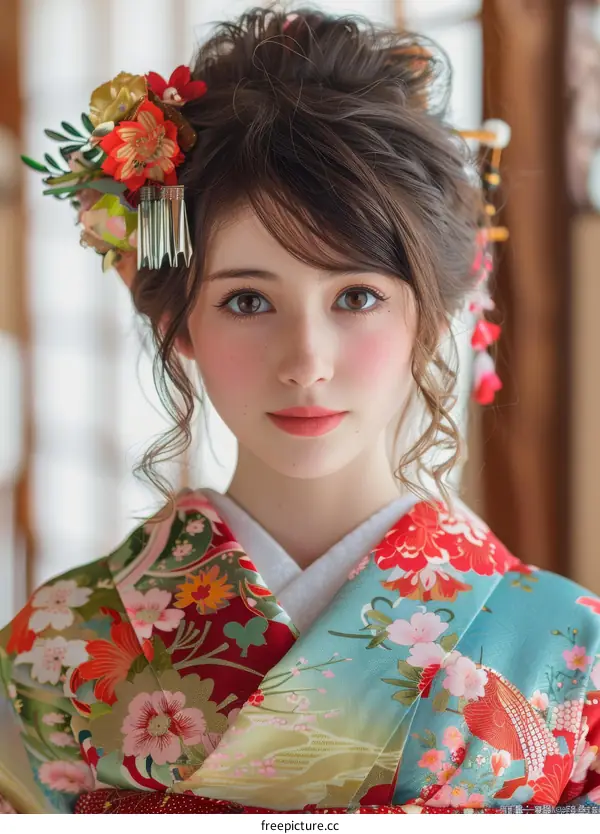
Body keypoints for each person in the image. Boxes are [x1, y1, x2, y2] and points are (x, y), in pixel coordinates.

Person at [1, 4, 599, 815]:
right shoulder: (52, 649)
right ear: (178, 322)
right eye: (247, 301)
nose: (306, 363)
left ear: (431, 313)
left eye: (356, 295)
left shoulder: (572, 651)